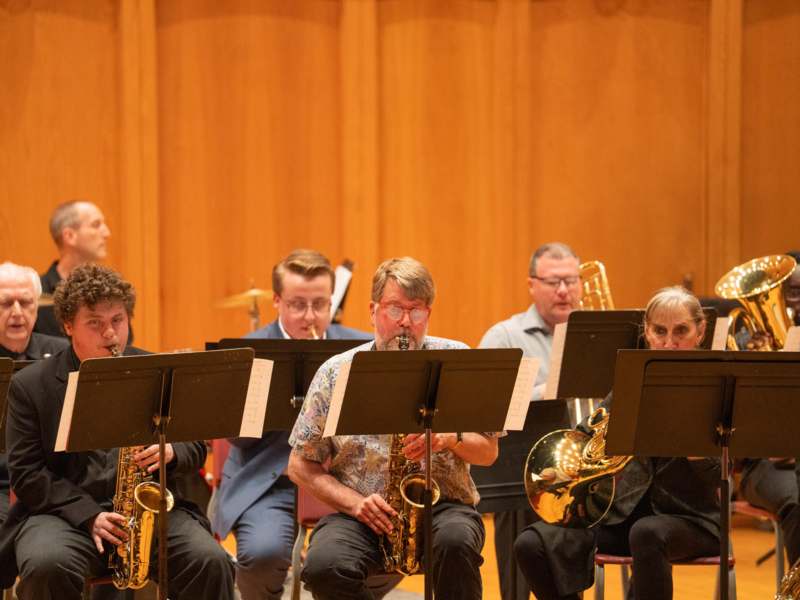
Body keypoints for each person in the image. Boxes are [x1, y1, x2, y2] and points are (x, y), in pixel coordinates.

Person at [0, 264, 234, 599]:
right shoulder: (30, 385)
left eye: (117, 321)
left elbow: (195, 445)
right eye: (94, 323)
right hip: (63, 515)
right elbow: (26, 474)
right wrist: (89, 515)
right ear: (68, 325)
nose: (110, 334)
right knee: (47, 564)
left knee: (209, 560)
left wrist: (171, 451)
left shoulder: (156, 370)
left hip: (146, 512)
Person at [288, 256, 498, 600]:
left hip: (443, 507)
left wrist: (448, 439)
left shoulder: (458, 359)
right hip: (360, 513)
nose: (405, 323)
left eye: (416, 312)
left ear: (428, 314)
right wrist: (355, 504)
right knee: (325, 565)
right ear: (373, 310)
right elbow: (299, 465)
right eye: (395, 309)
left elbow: (489, 451)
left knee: (456, 543)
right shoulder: (335, 372)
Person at [514, 287, 721, 600]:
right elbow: (585, 436)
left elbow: (724, 473)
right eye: (659, 331)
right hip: (622, 517)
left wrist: (695, 452)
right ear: (647, 332)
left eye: (681, 331)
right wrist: (579, 462)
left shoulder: (715, 386)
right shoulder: (630, 381)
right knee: (531, 544)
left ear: (700, 331)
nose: (668, 343)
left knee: (648, 533)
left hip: (693, 520)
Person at [212, 249, 371, 600]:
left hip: (344, 479)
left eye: (320, 304)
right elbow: (236, 439)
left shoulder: (362, 349)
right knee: (261, 556)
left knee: (382, 554)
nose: (310, 317)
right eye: (298, 305)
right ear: (277, 301)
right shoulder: (247, 352)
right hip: (270, 479)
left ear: (332, 301)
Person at [478, 242, 581, 600]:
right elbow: (485, 405)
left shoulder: (598, 337)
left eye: (571, 280)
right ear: (532, 285)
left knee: (569, 572)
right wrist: (547, 390)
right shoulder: (504, 336)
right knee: (518, 576)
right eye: (553, 282)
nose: (564, 290)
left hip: (582, 476)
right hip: (521, 475)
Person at [737, 249, 800, 566]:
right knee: (798, 501)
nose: (797, 302)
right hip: (764, 465)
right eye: (791, 293)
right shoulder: (748, 339)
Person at [0, 262, 70, 526]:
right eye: (6, 304)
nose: (17, 312)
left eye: (26, 302)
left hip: (53, 484)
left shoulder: (64, 353)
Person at [35, 200, 111, 337]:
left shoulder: (110, 289)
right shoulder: (34, 294)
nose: (106, 233)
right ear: (69, 236)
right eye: (96, 225)